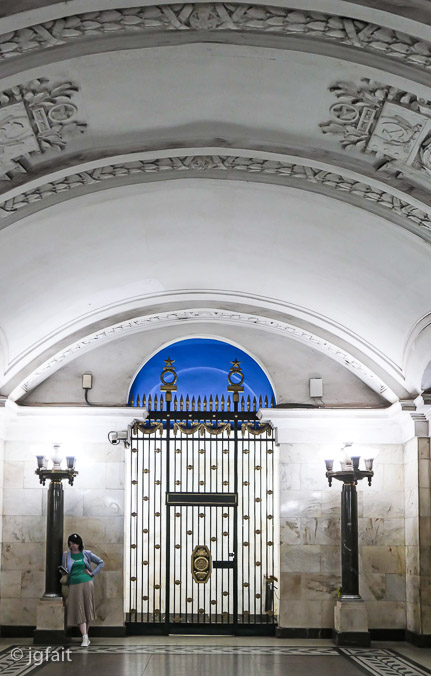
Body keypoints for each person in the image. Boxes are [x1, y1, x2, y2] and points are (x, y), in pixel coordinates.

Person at [62, 533, 104, 647]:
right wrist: (63, 572)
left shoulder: (86, 553)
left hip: (87, 583)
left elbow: (101, 562)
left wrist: (92, 573)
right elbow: (64, 569)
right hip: (73, 584)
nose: (73, 546)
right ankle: (85, 636)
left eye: (75, 543)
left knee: (87, 609)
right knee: (79, 609)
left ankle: (85, 637)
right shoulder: (66, 555)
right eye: (71, 544)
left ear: (79, 544)